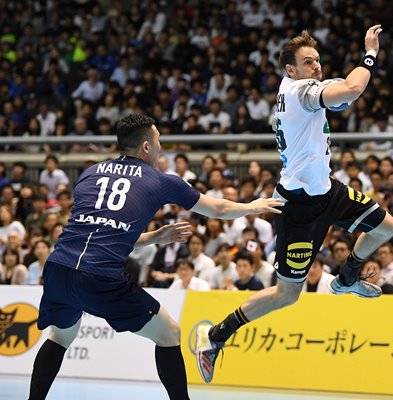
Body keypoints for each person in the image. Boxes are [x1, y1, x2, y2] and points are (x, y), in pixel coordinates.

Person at [28, 114, 282, 400]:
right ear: (146, 147)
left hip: (58, 267)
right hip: (100, 277)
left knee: (60, 336)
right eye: (158, 140)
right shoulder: (161, 181)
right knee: (169, 333)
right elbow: (219, 209)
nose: (161, 147)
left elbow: (101, 233)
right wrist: (252, 206)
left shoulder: (90, 173)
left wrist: (154, 237)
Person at [196, 26, 393, 384]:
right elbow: (352, 88)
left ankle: (348, 276)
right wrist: (369, 54)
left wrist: (344, 78)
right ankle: (215, 336)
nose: (316, 66)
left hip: (327, 191)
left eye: (318, 60)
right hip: (298, 208)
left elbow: (342, 87)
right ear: (291, 70)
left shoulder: (296, 88)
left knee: (387, 227)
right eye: (308, 62)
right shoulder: (302, 91)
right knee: (287, 294)